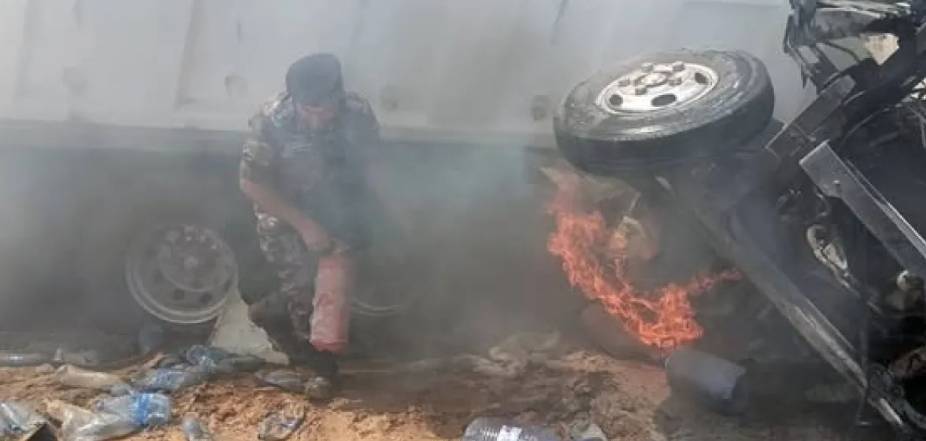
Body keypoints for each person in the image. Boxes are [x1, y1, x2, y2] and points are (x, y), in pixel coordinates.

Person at [239, 53, 379, 400]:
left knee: (340, 282)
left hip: (336, 206)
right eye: (308, 110)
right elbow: (251, 184)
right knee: (303, 289)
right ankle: (321, 369)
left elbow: (369, 166)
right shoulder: (271, 120)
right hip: (286, 215)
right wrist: (305, 226)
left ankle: (276, 312)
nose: (316, 120)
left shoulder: (358, 113)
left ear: (338, 96)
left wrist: (370, 215)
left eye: (324, 110)